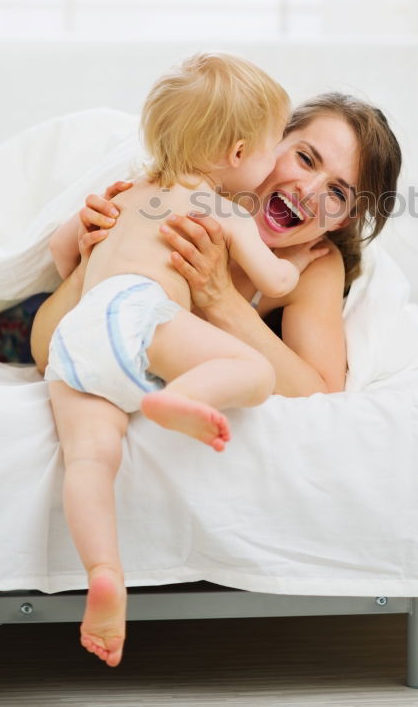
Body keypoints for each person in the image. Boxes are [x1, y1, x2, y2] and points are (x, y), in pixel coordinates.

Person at [29, 89, 402, 659]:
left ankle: (107, 571)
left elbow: (318, 388)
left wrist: (221, 298)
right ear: (259, 146)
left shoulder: (314, 263)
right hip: (55, 325)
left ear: (347, 218)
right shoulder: (182, 198)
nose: (308, 190)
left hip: (132, 342)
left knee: (93, 452)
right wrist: (89, 260)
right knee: (8, 334)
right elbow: (48, 344)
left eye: (338, 193)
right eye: (304, 158)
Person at [44, 53, 314, 668]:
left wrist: (88, 264)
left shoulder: (130, 192)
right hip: (140, 316)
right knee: (255, 371)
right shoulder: (216, 207)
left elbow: (64, 248)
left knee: (88, 457)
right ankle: (185, 396)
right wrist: (302, 261)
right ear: (240, 153)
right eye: (277, 146)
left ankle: (104, 572)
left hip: (77, 336)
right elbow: (272, 280)